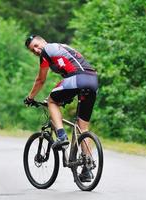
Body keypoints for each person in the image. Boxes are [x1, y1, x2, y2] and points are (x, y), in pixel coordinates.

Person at [23, 35, 98, 182]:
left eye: (37, 46)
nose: (37, 50)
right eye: (33, 50)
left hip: (78, 79)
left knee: (52, 101)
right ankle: (87, 168)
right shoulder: (64, 47)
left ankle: (62, 136)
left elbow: (40, 80)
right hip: (93, 80)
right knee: (83, 127)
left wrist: (30, 97)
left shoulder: (47, 51)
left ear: (43, 41)